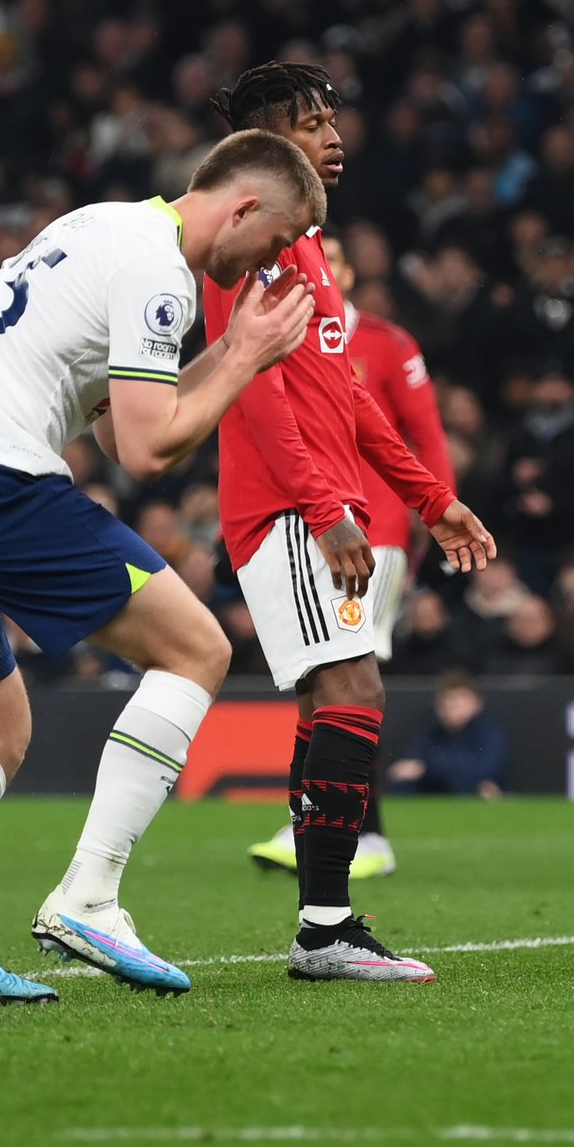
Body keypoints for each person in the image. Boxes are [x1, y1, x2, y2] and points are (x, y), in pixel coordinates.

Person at [0, 129, 321, 1004]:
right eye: (275, 241)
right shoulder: (160, 274)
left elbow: (114, 429)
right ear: (245, 206)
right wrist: (250, 360)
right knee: (198, 650)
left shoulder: (102, 225)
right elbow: (150, 452)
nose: (272, 261)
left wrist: (228, 356)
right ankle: (91, 896)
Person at [206, 63, 495, 984]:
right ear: (265, 143)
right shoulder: (245, 243)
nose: (335, 136)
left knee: (331, 700)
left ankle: (321, 922)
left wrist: (428, 498)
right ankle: (325, 929)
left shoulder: (306, 252)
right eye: (312, 122)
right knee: (355, 690)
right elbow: (249, 390)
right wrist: (327, 509)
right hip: (290, 506)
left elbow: (349, 397)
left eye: (334, 119)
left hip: (328, 505)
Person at [248, 234, 454, 880]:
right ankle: (337, 823)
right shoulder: (289, 331)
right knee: (330, 674)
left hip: (378, 528)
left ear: (347, 273)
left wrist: (434, 509)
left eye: (334, 261)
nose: (323, 269)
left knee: (349, 675)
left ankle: (366, 833)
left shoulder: (388, 345)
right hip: (319, 519)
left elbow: (426, 434)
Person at [387, 671, 508, 798]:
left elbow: (484, 772)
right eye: (445, 703)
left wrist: (429, 768)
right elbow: (410, 765)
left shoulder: (488, 733)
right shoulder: (432, 732)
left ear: (476, 702)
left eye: (457, 703)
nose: (450, 708)